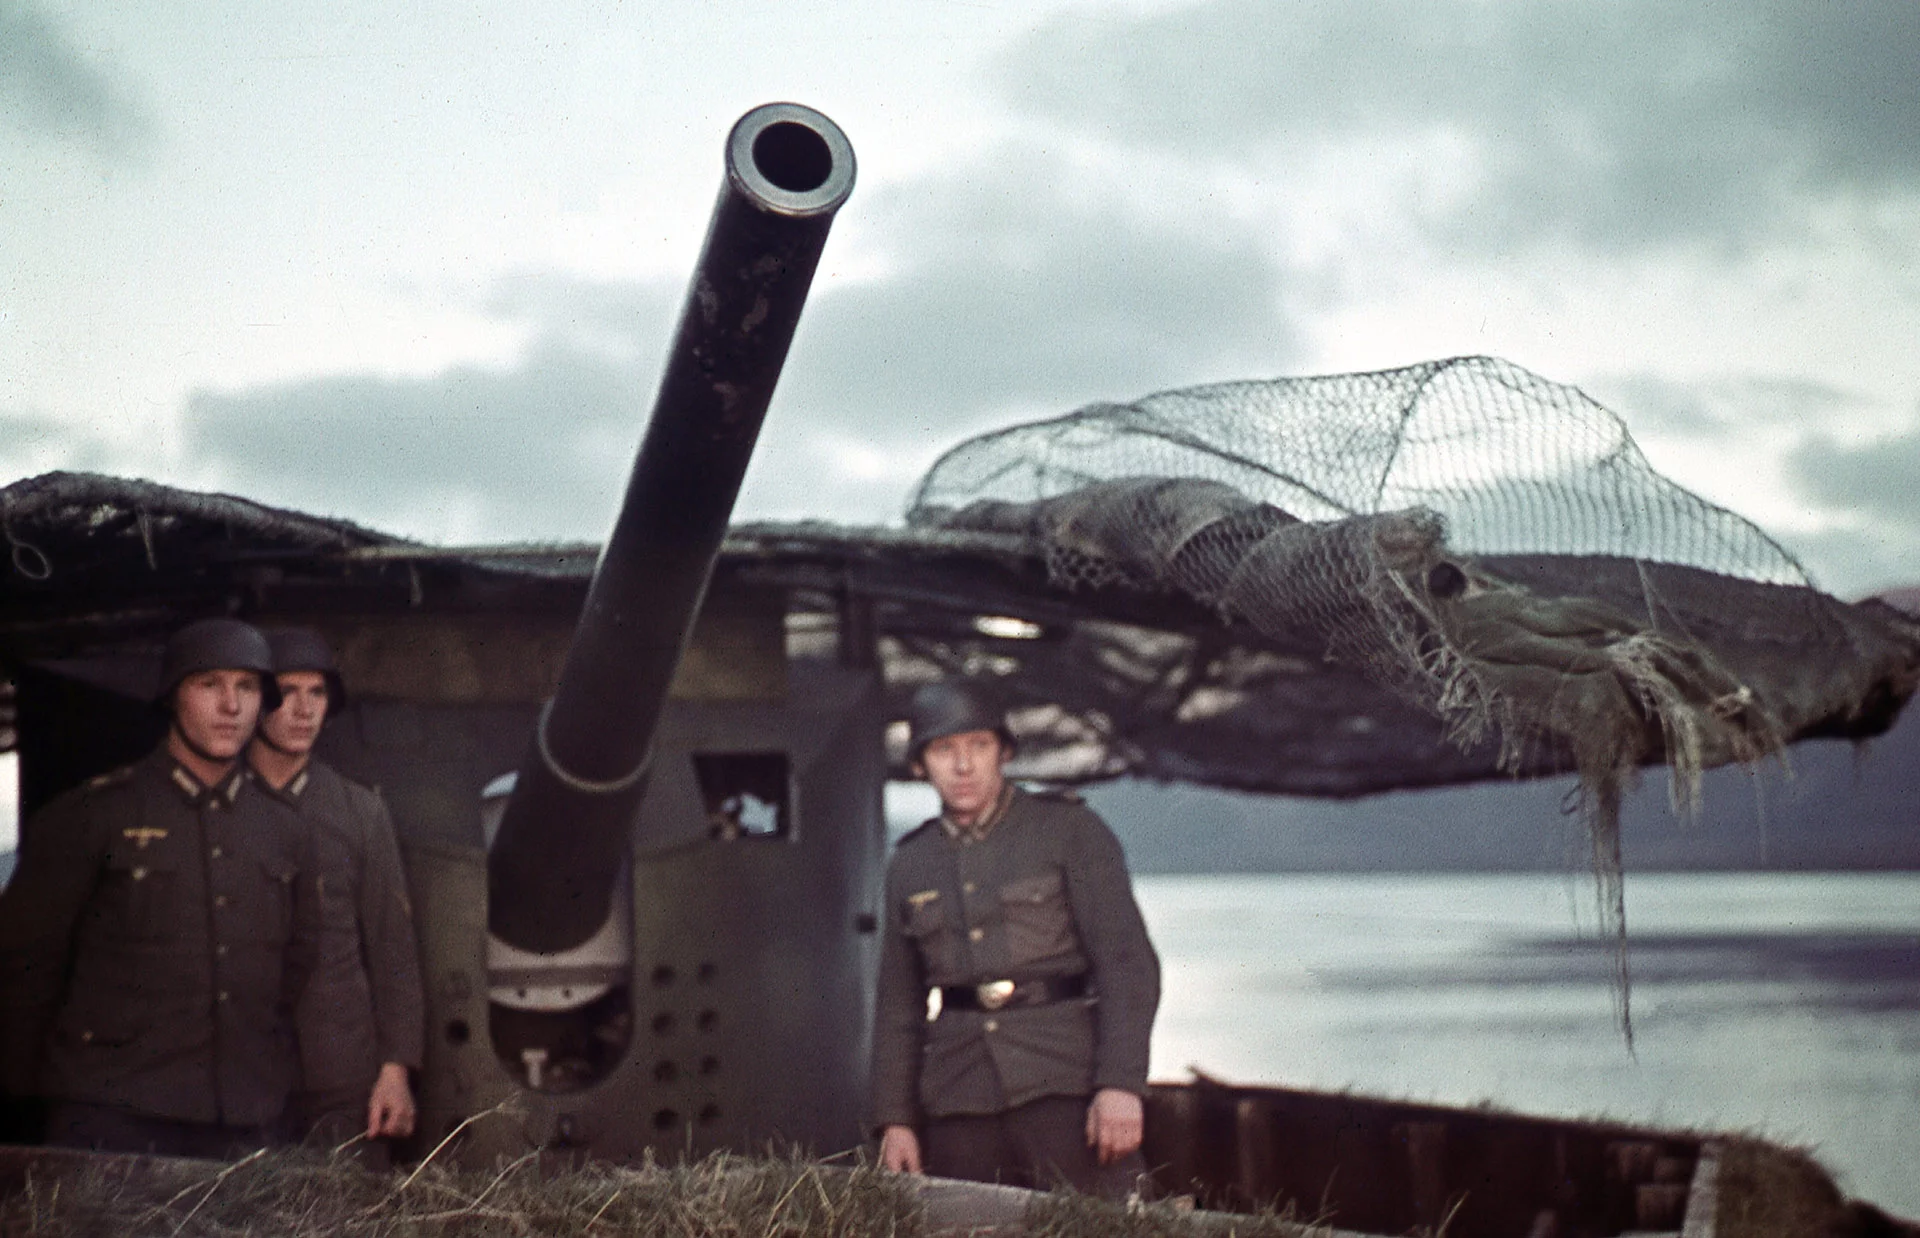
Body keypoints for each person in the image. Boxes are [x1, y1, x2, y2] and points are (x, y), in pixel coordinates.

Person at [0, 617, 317, 1157]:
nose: (231, 706)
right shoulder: (92, 815)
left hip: (242, 1121)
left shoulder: (284, 828)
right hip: (112, 1116)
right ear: (173, 697)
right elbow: (24, 968)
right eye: (208, 684)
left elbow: (297, 967)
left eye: (246, 687)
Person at [870, 682, 1161, 1198]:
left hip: (1066, 1084)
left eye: (978, 746)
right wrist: (896, 1120)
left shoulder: (1070, 830)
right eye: (943, 750)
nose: (963, 766)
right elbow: (899, 1006)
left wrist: (1120, 1085)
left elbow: (1126, 963)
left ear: (1003, 752)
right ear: (919, 765)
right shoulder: (910, 864)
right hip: (958, 1094)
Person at [248, 628, 422, 1164]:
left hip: (343, 1077)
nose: (303, 710)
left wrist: (396, 1070)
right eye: (286, 692)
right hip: (238, 1077)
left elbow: (393, 951)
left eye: (317, 693)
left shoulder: (358, 812)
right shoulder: (218, 805)